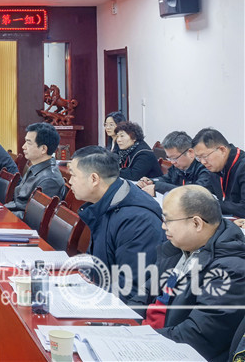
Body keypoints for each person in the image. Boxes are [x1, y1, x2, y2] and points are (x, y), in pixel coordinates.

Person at [143, 186, 245, 362]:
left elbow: (196, 337)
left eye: (168, 220)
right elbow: (144, 292)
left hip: (169, 350)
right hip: (150, 337)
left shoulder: (231, 271)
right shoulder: (178, 246)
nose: (163, 226)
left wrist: (137, 339)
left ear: (196, 223)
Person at [69, 145, 164, 306]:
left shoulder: (137, 221)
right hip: (102, 294)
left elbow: (130, 290)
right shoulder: (108, 201)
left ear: (94, 179)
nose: (70, 181)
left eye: (73, 175)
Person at [137, 131, 221, 199]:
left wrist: (158, 186)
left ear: (190, 152)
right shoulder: (178, 167)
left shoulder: (206, 168)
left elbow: (193, 192)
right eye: (169, 158)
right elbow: (166, 179)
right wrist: (151, 181)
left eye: (174, 158)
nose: (172, 162)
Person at [5, 123, 66, 217]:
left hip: (20, 222)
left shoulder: (49, 180)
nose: (23, 146)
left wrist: (4, 215)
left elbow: (34, 217)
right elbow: (19, 203)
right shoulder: (35, 166)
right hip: (13, 214)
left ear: (43, 149)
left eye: (28, 143)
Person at [192, 128, 245, 218]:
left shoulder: (242, 166)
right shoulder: (216, 166)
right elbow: (206, 191)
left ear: (222, 150)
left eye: (204, 156)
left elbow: (243, 209)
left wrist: (211, 204)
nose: (203, 162)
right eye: (198, 158)